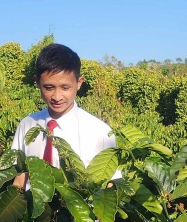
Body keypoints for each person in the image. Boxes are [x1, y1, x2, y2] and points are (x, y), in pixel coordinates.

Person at [11, 43, 118, 183]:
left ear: (79, 83)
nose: (57, 96)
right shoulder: (27, 125)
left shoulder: (100, 132)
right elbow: (19, 178)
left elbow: (109, 184)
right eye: (49, 88)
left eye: (65, 88)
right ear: (37, 82)